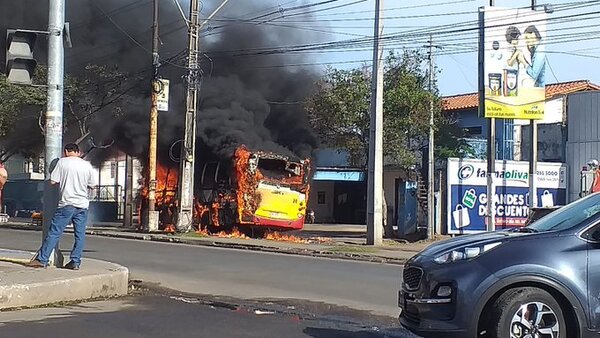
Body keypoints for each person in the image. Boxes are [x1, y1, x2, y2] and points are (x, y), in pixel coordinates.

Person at [27, 143, 97, 269]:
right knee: (79, 235)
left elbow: (53, 181)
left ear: (65, 151)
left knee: (54, 232)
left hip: (66, 204)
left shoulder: (62, 163)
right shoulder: (86, 165)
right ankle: (75, 262)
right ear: (78, 152)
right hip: (82, 205)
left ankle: (42, 259)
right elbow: (92, 185)